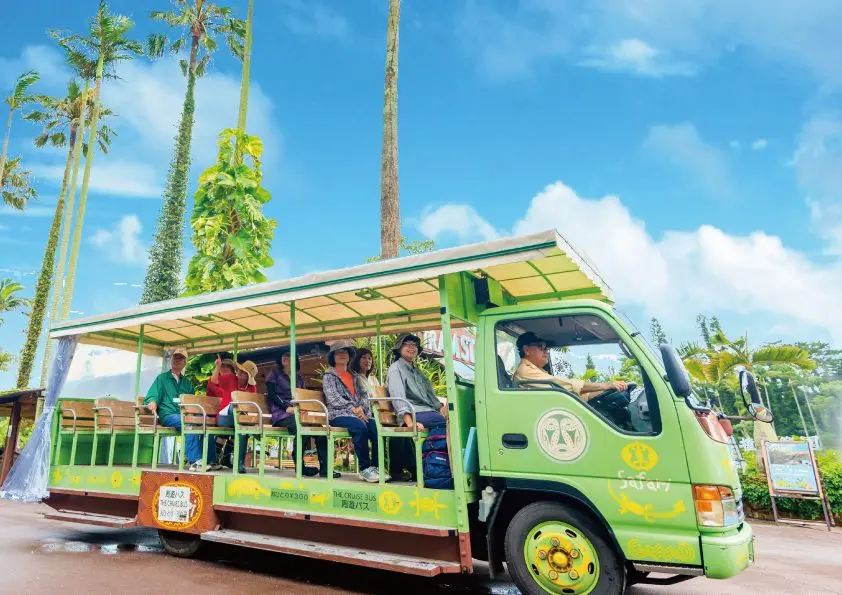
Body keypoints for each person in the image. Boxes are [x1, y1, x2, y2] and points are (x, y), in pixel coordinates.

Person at [265, 349, 334, 478]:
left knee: (320, 430)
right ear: (280, 359)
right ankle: (299, 464)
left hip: (298, 413)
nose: (286, 357)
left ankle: (325, 468)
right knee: (301, 427)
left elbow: (302, 397)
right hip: (281, 414)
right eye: (284, 355)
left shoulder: (298, 377)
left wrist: (304, 408)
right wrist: (286, 407)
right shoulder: (274, 374)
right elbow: (272, 395)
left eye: (289, 355)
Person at [322, 340, 384, 483]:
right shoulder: (329, 376)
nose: (342, 354)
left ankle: (376, 467)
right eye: (338, 352)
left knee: (376, 428)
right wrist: (353, 408)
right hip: (338, 414)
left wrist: (361, 409)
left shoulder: (354, 376)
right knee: (359, 427)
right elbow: (333, 398)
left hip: (357, 414)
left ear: (350, 356)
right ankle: (364, 468)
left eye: (345, 352)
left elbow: (363, 396)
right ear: (333, 357)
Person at [512, 331, 627, 400]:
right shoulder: (525, 372)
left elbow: (570, 392)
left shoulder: (538, 371)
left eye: (547, 347)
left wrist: (599, 392)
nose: (546, 350)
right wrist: (605, 385)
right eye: (541, 346)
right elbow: (564, 386)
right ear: (527, 350)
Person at [144, 347, 203, 469]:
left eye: (180, 358)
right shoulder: (162, 378)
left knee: (205, 422)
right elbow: (152, 395)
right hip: (169, 415)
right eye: (175, 357)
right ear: (171, 360)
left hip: (183, 415)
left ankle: (211, 460)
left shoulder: (187, 383)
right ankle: (195, 461)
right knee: (188, 424)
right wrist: (152, 402)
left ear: (184, 363)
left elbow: (192, 402)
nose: (177, 360)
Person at [386, 333, 447, 431]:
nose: (412, 347)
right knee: (445, 423)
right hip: (413, 413)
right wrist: (410, 423)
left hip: (427, 412)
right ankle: (431, 446)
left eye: (414, 345)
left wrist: (441, 409)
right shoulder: (396, 369)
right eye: (407, 344)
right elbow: (398, 398)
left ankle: (432, 445)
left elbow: (429, 394)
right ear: (399, 348)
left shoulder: (417, 371)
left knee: (452, 419)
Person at [213, 357, 258, 473]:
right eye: (241, 371)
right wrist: (218, 367)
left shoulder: (252, 388)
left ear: (249, 377)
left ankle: (239, 464)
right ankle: (254, 430)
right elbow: (214, 381)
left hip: (240, 419)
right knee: (236, 407)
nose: (240, 374)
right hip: (224, 416)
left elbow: (251, 407)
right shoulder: (230, 378)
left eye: (244, 373)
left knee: (243, 426)